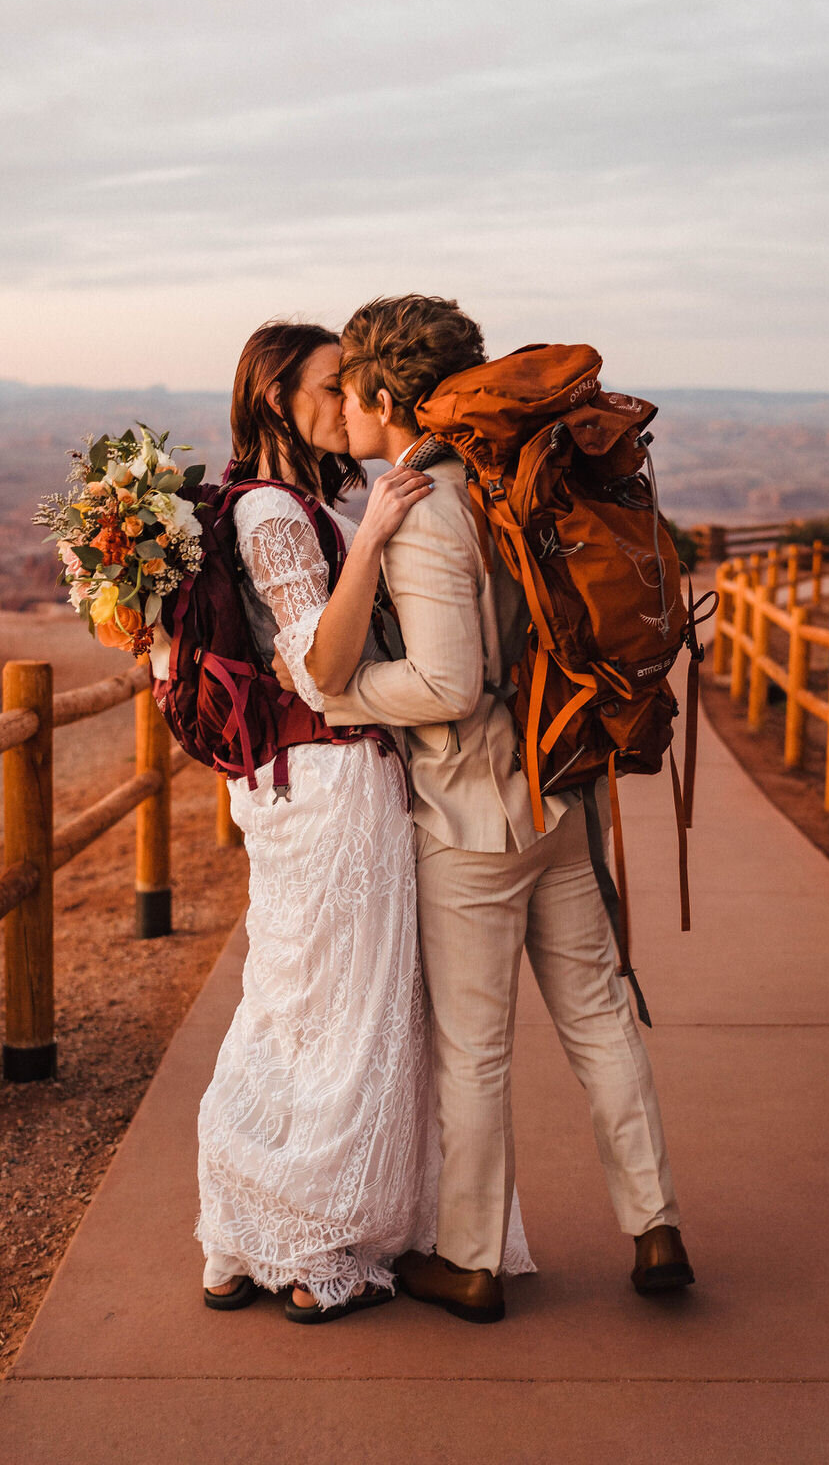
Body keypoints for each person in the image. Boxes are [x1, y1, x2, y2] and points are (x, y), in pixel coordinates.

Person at [318, 294, 693, 1322]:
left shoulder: (424, 508)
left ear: (385, 395)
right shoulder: (509, 480)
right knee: (601, 1019)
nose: (343, 411)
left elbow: (445, 684)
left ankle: (471, 1260)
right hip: (555, 796)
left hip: (471, 823)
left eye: (349, 391)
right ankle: (653, 1222)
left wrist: (335, 691)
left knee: (474, 1053)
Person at [183, 320, 533, 1324]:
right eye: (332, 386)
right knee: (336, 1011)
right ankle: (315, 1247)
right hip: (334, 787)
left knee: (298, 1001)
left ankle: (251, 1232)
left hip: (307, 788)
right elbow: (315, 673)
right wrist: (374, 536)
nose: (352, 402)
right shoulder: (275, 518)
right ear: (274, 398)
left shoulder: (296, 503)